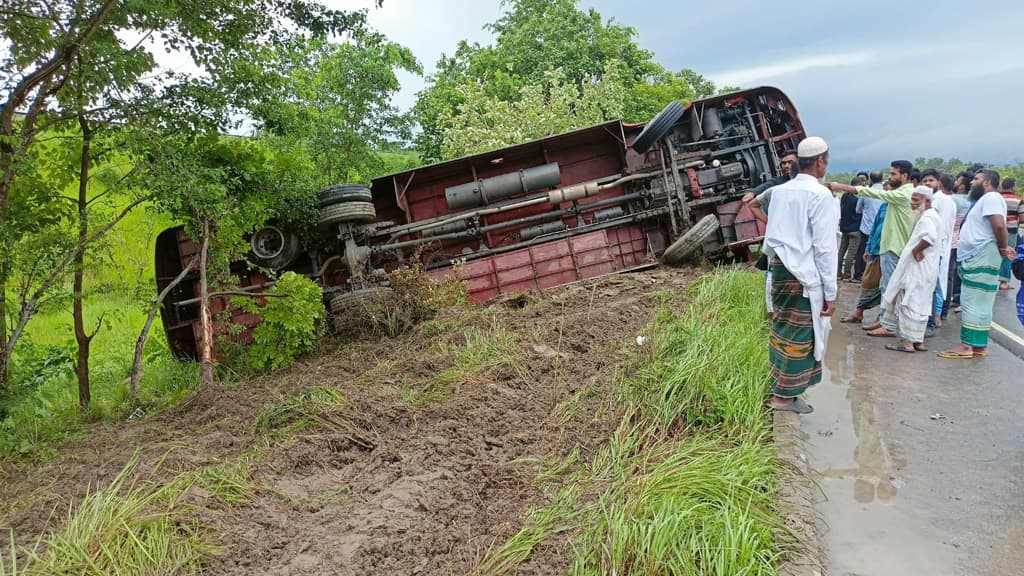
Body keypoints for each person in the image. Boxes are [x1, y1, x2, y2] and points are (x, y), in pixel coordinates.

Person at [763, 136, 838, 414]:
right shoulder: (820, 195)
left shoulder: (781, 192)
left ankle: (780, 387)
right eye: (826, 162)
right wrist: (830, 292)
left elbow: (770, 235)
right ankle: (783, 397)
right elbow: (825, 248)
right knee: (801, 334)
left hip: (781, 269)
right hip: (804, 276)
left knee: (782, 329)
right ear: (820, 161)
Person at [829, 160, 916, 336]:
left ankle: (889, 325)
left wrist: (841, 186)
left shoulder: (905, 194)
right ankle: (884, 321)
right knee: (885, 286)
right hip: (887, 246)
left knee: (890, 287)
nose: (890, 177)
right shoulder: (900, 194)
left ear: (905, 176)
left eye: (893, 174)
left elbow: (870, 193)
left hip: (894, 247)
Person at [939, 169, 1016, 359]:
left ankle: (966, 346)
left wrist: (1003, 247)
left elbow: (999, 225)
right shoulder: (987, 199)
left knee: (971, 300)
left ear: (988, 182)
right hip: (983, 253)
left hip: (982, 254)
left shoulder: (990, 198)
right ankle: (979, 346)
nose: (972, 182)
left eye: (976, 179)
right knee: (981, 302)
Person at [879, 187, 944, 351]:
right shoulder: (933, 216)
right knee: (921, 303)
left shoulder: (927, 218)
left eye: (916, 200)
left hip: (918, 267)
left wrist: (916, 250)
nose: (912, 204)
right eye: (912, 199)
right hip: (928, 268)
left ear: (927, 201)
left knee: (909, 302)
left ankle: (908, 342)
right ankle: (918, 341)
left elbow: (928, 238)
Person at [920, 169, 955, 331]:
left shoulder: (943, 200)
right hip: (931, 248)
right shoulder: (931, 199)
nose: (927, 183)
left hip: (937, 248)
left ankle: (936, 316)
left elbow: (943, 228)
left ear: (939, 183)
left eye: (931, 180)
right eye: (925, 181)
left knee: (936, 283)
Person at [943, 173, 970, 317]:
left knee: (948, 274)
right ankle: (959, 298)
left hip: (951, 241)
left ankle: (944, 306)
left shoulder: (953, 200)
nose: (955, 182)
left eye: (957, 180)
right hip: (963, 241)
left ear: (962, 186)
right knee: (959, 272)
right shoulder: (973, 201)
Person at [853, 170, 885, 282]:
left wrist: (866, 211)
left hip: (866, 227)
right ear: (882, 179)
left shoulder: (866, 192)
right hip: (881, 227)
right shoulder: (887, 193)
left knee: (861, 251)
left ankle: (858, 274)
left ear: (870, 179)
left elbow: (857, 209)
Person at [838, 177, 863, 281]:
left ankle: (838, 273)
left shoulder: (845, 196)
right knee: (851, 253)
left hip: (845, 227)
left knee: (841, 251)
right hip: (855, 228)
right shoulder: (858, 199)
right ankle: (847, 274)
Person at [998, 177, 1020, 290]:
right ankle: (1004, 281)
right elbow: (1022, 217)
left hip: (996, 230)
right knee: (1008, 255)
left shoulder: (998, 198)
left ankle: (993, 278)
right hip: (1011, 231)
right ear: (1012, 187)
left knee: (996, 254)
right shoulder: (1018, 200)